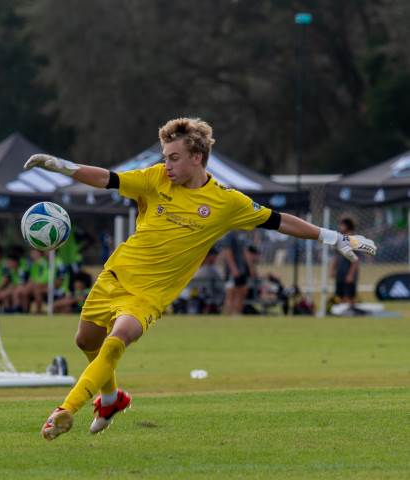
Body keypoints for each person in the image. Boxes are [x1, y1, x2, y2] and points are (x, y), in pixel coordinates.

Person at [24, 117, 376, 441]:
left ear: (196, 157)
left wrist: (333, 237)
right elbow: (108, 179)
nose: (167, 165)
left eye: (174, 158)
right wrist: (62, 166)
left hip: (148, 296)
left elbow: (278, 220)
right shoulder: (156, 179)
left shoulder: (226, 202)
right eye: (165, 157)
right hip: (114, 276)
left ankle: (64, 410)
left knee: (117, 341)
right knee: (86, 340)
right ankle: (111, 398)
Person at [330, 217, 360, 304]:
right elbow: (336, 256)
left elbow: (355, 260)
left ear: (347, 226)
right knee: (340, 296)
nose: (339, 227)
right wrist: (332, 269)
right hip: (340, 271)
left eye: (342, 225)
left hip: (348, 271)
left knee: (349, 296)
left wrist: (351, 274)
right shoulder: (340, 239)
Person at [221, 231, 249, 315]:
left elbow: (244, 253)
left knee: (242, 292)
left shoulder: (242, 235)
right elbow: (227, 252)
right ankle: (228, 314)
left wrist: (249, 268)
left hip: (242, 270)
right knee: (231, 293)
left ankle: (237, 313)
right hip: (232, 271)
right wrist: (233, 269)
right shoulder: (229, 235)